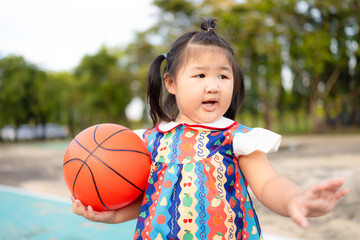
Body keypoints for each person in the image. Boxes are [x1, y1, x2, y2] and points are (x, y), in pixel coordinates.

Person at [71, 17, 349, 240]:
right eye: (200, 74)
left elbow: (268, 184)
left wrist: (296, 199)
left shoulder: (235, 137)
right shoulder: (149, 142)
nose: (213, 85)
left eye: (223, 75)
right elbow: (148, 199)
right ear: (170, 83)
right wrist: (113, 215)